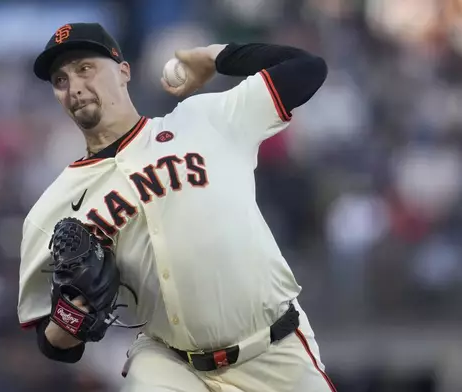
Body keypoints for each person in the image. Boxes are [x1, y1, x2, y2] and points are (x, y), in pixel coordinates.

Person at [18, 22, 335, 392]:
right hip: (170, 365)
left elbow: (308, 68)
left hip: (275, 351)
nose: (74, 87)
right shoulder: (50, 211)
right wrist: (71, 319)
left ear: (124, 72)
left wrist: (215, 57)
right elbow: (52, 343)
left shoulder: (205, 120)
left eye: (85, 68)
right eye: (60, 80)